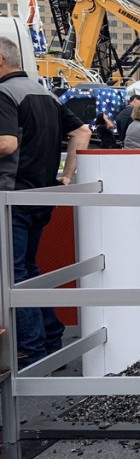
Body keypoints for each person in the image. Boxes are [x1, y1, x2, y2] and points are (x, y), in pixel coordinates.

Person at [0, 36, 91, 369]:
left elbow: (7, 144)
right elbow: (81, 131)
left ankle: (34, 351)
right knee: (29, 270)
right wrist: (65, 176)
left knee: (15, 274)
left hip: (11, 195)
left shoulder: (4, 94)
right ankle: (50, 339)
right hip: (42, 194)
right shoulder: (45, 92)